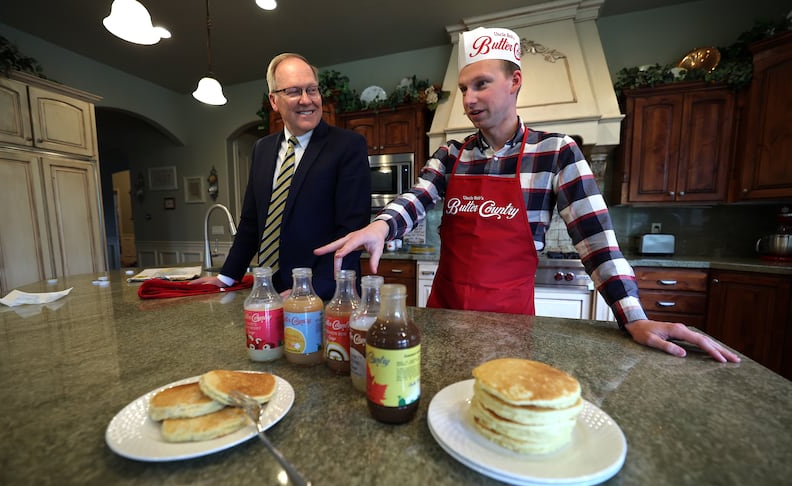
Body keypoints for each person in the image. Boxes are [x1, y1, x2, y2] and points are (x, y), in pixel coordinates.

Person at [315, 27, 739, 363]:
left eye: (481, 84)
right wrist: (381, 225)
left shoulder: (556, 152)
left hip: (510, 326)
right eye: (463, 88)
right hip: (443, 317)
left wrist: (635, 318)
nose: (468, 99)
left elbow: (598, 244)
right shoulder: (451, 154)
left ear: (515, 81)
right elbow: (418, 196)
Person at [193, 53, 370, 299]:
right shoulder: (262, 149)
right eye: (295, 91)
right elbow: (252, 223)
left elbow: (351, 231)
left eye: (312, 90)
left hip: (327, 294)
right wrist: (226, 277)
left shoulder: (348, 146)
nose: (307, 100)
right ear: (274, 101)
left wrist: (308, 291)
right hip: (269, 291)